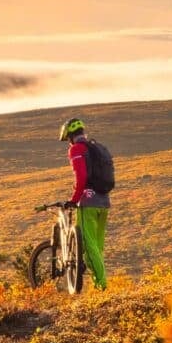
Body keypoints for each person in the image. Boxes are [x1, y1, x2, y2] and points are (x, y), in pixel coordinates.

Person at [59, 117, 109, 290]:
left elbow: (81, 177)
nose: (68, 143)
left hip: (88, 203)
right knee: (97, 247)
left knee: (88, 246)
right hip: (104, 202)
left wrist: (74, 199)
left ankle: (101, 287)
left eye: (68, 139)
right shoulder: (95, 148)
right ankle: (100, 285)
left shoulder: (76, 149)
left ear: (70, 136)